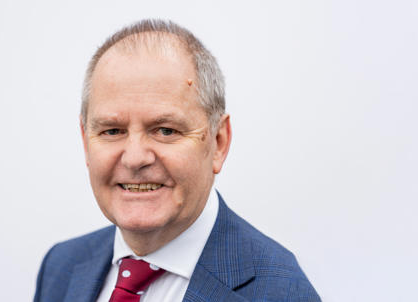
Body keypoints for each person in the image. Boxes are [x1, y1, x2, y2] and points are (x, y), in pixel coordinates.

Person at [34, 19, 320, 302]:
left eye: (165, 130)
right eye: (112, 131)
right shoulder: (61, 268)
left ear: (218, 142)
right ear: (86, 142)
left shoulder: (281, 293)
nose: (135, 158)